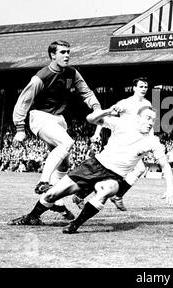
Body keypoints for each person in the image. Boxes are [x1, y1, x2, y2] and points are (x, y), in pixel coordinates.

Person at [7, 106, 173, 234]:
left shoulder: (153, 142)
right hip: (93, 166)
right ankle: (32, 217)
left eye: (152, 120)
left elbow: (166, 166)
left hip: (113, 176)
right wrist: (107, 111)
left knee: (106, 190)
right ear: (138, 119)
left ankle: (75, 225)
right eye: (147, 118)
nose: (150, 123)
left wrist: (170, 189)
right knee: (52, 195)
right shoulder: (122, 124)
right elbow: (91, 118)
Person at [12, 40, 102, 220]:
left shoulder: (72, 73)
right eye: (62, 52)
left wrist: (96, 107)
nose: (67, 55)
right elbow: (23, 101)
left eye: (68, 52)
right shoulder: (41, 76)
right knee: (67, 142)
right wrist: (20, 128)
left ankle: (55, 202)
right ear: (53, 55)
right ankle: (43, 182)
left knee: (64, 165)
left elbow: (86, 91)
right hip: (40, 117)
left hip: (59, 120)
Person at [73, 77, 151, 211]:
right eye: (141, 86)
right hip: (121, 143)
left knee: (137, 169)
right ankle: (110, 195)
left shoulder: (147, 104)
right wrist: (97, 133)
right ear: (134, 88)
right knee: (109, 172)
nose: (143, 89)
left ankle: (114, 195)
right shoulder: (125, 103)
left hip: (134, 142)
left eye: (145, 87)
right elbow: (106, 117)